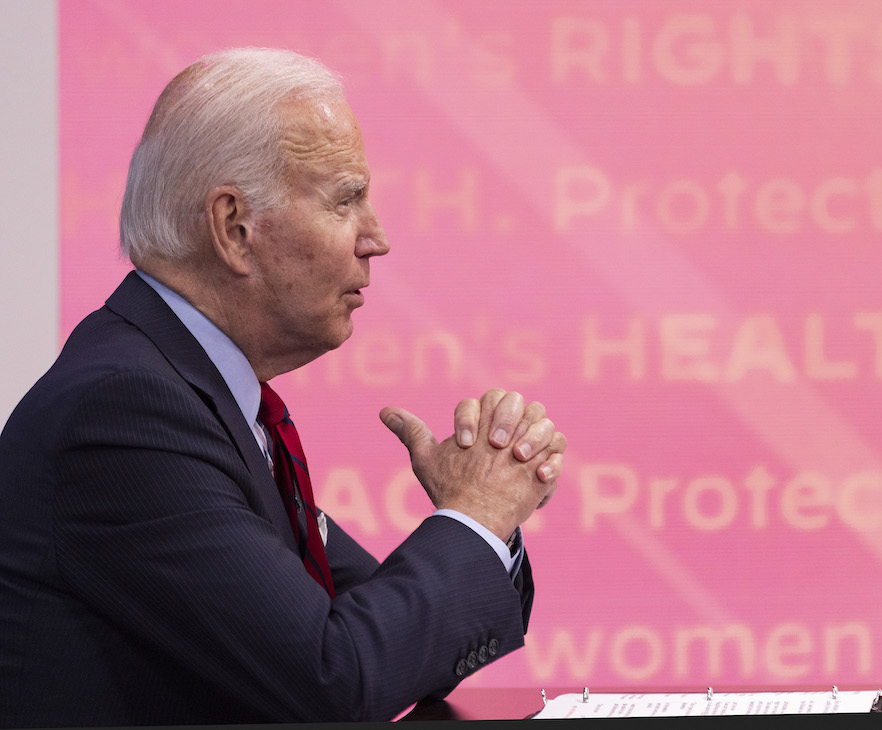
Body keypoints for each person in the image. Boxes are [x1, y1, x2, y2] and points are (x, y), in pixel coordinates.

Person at [0, 47, 566, 725]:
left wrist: (483, 519)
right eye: (345, 200)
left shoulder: (195, 392)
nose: (377, 238)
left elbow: (392, 644)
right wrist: (475, 512)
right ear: (235, 228)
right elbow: (338, 677)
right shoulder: (127, 414)